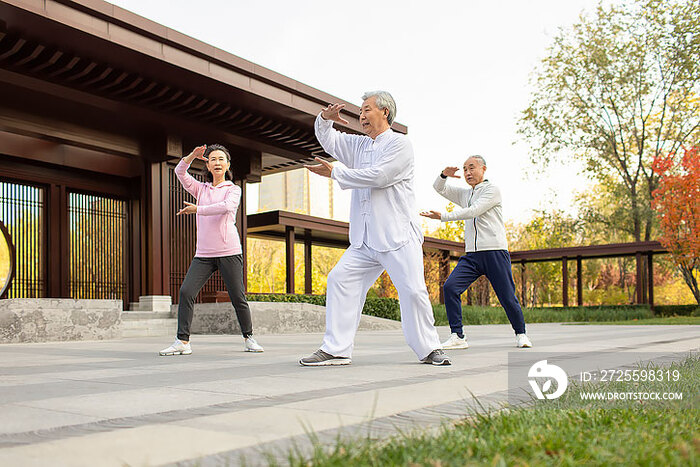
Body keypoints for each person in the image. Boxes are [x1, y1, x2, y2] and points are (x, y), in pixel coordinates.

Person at [301, 91, 450, 366]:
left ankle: (430, 348)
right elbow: (329, 140)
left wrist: (335, 173)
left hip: (398, 236)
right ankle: (336, 349)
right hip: (364, 239)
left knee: (413, 290)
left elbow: (380, 176)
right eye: (360, 111)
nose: (361, 115)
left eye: (366, 109)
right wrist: (325, 119)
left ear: (385, 112)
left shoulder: (400, 145)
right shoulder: (358, 146)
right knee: (339, 280)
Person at [159, 144, 264, 356]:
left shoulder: (234, 190)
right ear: (207, 164)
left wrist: (198, 209)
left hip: (229, 251)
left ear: (227, 165)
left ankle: (249, 337)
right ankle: (182, 341)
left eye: (221, 159)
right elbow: (180, 172)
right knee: (186, 292)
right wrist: (191, 156)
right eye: (213, 159)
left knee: (237, 296)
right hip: (204, 254)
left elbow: (225, 207)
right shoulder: (201, 189)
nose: (217, 162)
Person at [420, 156, 533, 349]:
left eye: (471, 168)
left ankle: (521, 334)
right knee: (450, 287)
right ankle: (458, 336)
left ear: (483, 169)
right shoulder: (466, 194)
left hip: (494, 251)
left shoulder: (492, 190)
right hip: (472, 255)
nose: (467, 173)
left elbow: (474, 211)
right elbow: (440, 188)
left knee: (506, 296)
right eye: (464, 169)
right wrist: (443, 175)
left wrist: (444, 216)